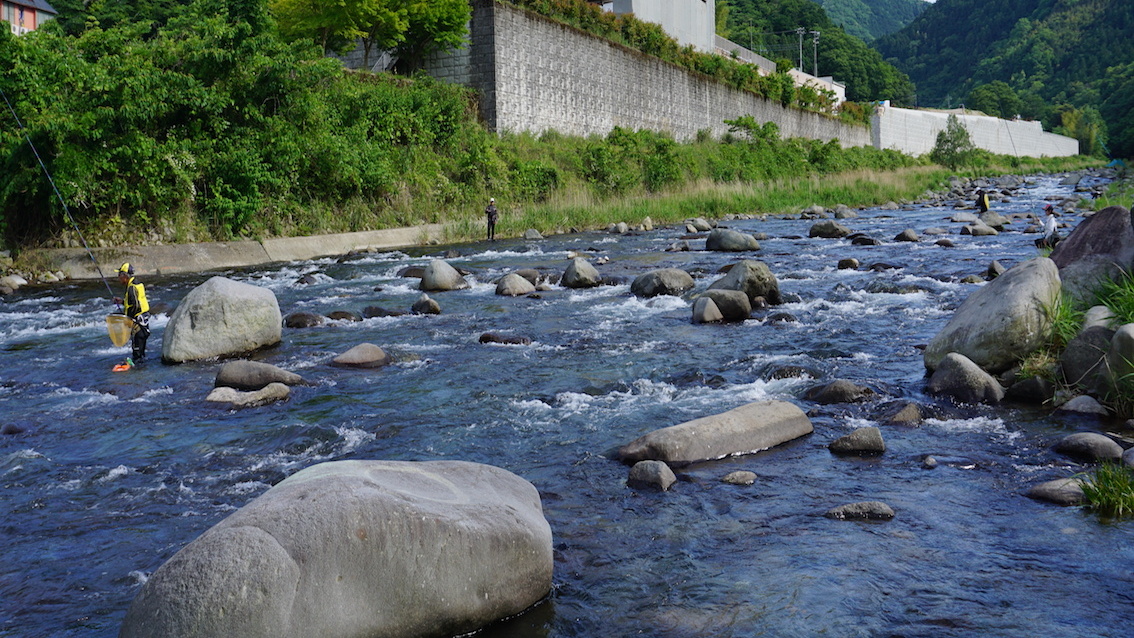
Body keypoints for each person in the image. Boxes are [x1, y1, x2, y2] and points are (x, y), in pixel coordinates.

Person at [113, 262, 151, 366]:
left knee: (137, 352)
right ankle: (142, 370)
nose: (119, 278)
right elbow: (135, 301)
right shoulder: (136, 284)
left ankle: (138, 373)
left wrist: (129, 319)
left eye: (119, 276)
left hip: (138, 322)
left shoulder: (131, 288)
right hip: (143, 320)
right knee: (141, 351)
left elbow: (136, 305)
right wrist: (122, 301)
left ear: (125, 276)